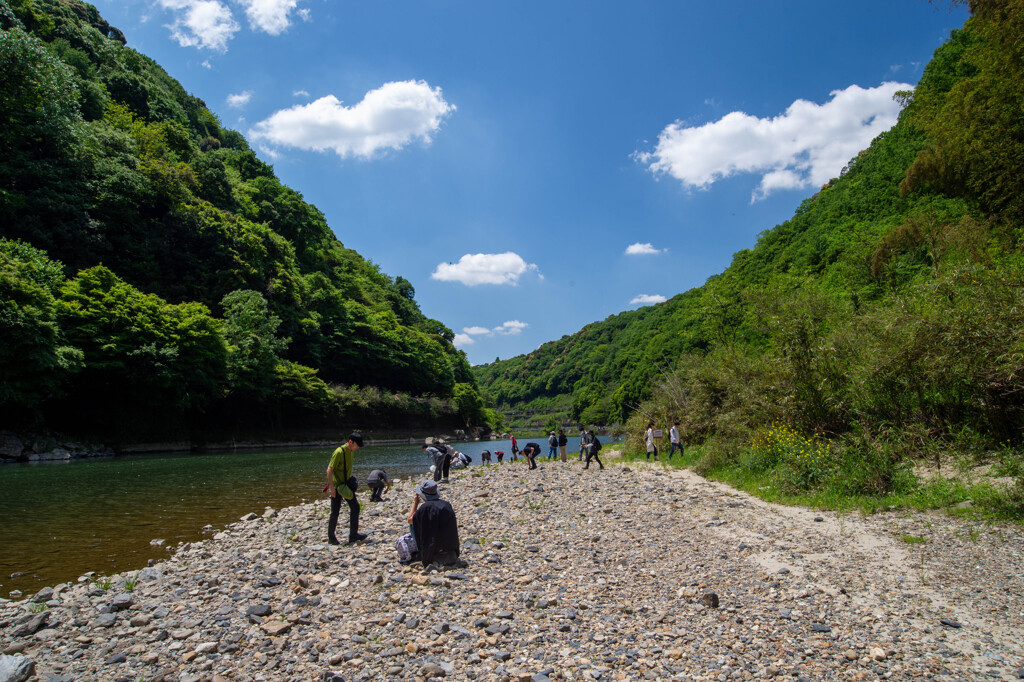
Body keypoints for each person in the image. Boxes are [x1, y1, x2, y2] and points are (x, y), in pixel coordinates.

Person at [407, 480, 461, 567]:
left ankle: (422, 552)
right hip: (451, 551)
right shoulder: (446, 505)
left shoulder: (425, 508)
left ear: (422, 495)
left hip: (433, 553)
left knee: (412, 524)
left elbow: (410, 520)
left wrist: (416, 503)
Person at [326, 433, 366, 545]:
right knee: (335, 511)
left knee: (355, 507)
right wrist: (331, 488)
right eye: (357, 445)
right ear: (350, 442)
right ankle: (331, 537)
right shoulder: (339, 452)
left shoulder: (351, 451)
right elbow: (329, 470)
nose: (358, 447)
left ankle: (353, 535)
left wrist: (352, 478)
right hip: (337, 486)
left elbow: (347, 467)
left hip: (346, 485)